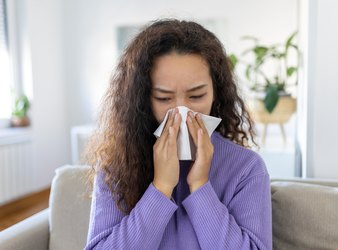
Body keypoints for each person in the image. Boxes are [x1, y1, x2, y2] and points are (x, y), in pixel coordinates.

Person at [84, 19, 272, 250]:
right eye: (163, 98)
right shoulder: (116, 167)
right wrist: (161, 187)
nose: (182, 112)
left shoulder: (246, 168)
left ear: (216, 93)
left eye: (196, 96)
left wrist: (200, 185)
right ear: (142, 100)